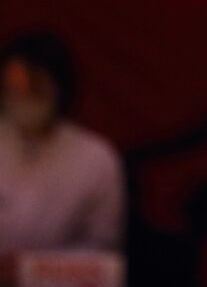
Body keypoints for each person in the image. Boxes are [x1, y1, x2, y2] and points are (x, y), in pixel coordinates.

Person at [0, 32, 125, 262]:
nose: (22, 97)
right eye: (13, 89)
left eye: (35, 88)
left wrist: (28, 268)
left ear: (59, 87)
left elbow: (102, 249)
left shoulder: (96, 158)